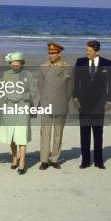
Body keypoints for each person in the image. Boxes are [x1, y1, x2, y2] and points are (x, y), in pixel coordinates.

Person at [73, 40, 111, 169]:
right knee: (84, 132)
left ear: (97, 52)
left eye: (90, 51)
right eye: (86, 50)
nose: (87, 53)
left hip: (99, 104)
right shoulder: (80, 62)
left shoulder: (107, 63)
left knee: (98, 133)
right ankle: (85, 161)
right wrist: (75, 98)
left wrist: (109, 100)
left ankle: (98, 161)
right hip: (83, 103)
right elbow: (76, 82)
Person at [0, 52, 35, 175]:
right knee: (12, 136)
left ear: (22, 63)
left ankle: (22, 162)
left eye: (17, 64)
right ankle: (14, 158)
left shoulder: (28, 75)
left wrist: (22, 96)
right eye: (12, 65)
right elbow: (2, 91)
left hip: (22, 108)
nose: (14, 67)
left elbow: (33, 92)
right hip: (9, 108)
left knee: (22, 135)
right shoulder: (6, 74)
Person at [37, 42, 73, 170]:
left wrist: (64, 101)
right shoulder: (43, 67)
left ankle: (54, 159)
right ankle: (44, 160)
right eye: (49, 53)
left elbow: (70, 88)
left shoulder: (67, 67)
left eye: (53, 53)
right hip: (46, 104)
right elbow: (40, 86)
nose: (51, 55)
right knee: (45, 133)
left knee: (58, 133)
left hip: (61, 104)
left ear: (59, 53)